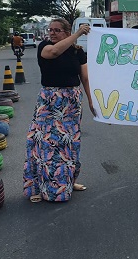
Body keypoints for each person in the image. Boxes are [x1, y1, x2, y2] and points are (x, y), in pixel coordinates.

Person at [23, 18, 95, 203]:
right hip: (49, 103)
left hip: (71, 103)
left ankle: (69, 182)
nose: (52, 33)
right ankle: (39, 188)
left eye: (57, 30)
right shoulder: (44, 47)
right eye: (50, 30)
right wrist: (78, 34)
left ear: (66, 32)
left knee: (69, 144)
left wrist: (91, 101)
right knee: (44, 144)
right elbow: (54, 52)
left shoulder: (78, 52)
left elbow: (85, 78)